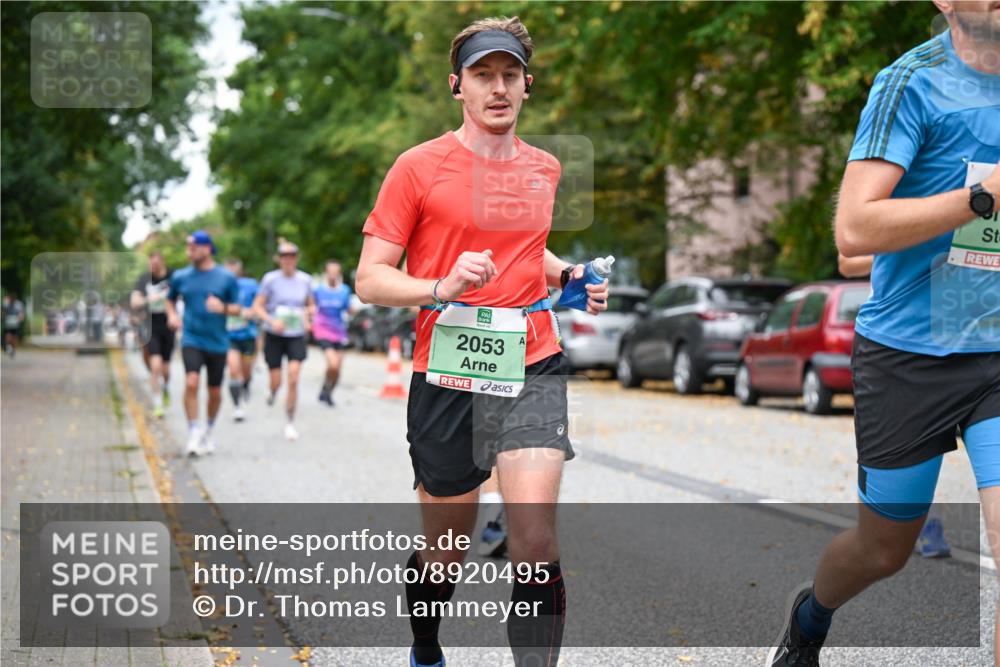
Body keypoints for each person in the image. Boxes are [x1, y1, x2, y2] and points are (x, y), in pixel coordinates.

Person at [355, 16, 609, 667]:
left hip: (531, 358)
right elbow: (371, 278)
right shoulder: (418, 167)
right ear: (457, 86)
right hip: (447, 366)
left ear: (527, 85)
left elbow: (526, 249)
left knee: (535, 538)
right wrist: (439, 285)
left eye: (508, 75)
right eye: (481, 75)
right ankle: (425, 646)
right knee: (447, 549)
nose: (497, 88)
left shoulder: (544, 169)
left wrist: (569, 275)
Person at [768, 3, 1000, 664]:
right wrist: (985, 197)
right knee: (882, 547)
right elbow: (854, 232)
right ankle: (811, 615)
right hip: (909, 353)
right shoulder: (912, 82)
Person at [165, 231, 241, 457]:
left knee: (215, 391)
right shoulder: (181, 276)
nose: (189, 251)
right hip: (191, 338)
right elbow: (170, 299)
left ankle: (208, 429)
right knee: (191, 382)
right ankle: (193, 431)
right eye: (187, 247)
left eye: (193, 247)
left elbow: (238, 308)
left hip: (217, 342)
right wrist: (171, 315)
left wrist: (223, 308)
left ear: (207, 248)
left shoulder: (226, 277)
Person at [252, 240, 314, 441]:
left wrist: (309, 317)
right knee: (276, 381)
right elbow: (258, 307)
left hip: (296, 335)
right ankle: (271, 391)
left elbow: (311, 305)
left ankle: (290, 422)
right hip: (274, 335)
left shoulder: (305, 280)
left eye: (292, 256)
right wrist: (271, 320)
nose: (288, 260)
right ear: (279, 259)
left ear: (296, 259)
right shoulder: (270, 280)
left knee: (294, 377)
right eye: (284, 256)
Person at [131, 251, 175, 418]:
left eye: (155, 264)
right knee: (155, 366)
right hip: (151, 326)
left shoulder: (173, 276)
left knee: (166, 369)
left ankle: (165, 388)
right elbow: (135, 302)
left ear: (162, 262)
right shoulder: (144, 279)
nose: (153, 268)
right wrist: (151, 298)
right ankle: (157, 404)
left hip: (169, 325)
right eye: (150, 265)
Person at [312, 260, 354, 406]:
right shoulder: (318, 291)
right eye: (330, 271)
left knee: (338, 370)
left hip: (339, 332)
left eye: (335, 272)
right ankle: (326, 388)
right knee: (333, 364)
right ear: (326, 273)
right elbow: (311, 306)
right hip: (323, 330)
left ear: (339, 274)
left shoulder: (344, 290)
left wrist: (352, 310)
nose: (332, 275)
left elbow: (348, 309)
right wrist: (308, 318)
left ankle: (327, 392)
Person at [224, 258, 260, 422]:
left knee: (246, 371)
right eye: (228, 267)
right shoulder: (220, 284)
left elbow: (260, 304)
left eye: (234, 266)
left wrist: (250, 311)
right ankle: (237, 406)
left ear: (240, 268)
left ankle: (246, 384)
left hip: (248, 334)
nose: (231, 270)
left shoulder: (250, 284)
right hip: (228, 336)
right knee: (233, 369)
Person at [3, 292, 26, 357]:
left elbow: (21, 313)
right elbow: (3, 311)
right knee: (8, 336)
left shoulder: (18, 304)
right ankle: (9, 346)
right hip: (8, 322)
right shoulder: (6, 303)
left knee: (15, 337)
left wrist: (20, 317)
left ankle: (13, 349)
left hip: (15, 323)